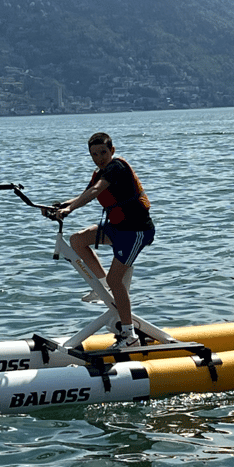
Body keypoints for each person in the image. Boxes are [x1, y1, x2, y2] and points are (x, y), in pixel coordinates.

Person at [52, 132, 155, 349]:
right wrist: (59, 206)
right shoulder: (99, 173)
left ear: (112, 151)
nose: (99, 157)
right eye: (94, 154)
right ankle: (103, 287)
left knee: (116, 280)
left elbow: (97, 190)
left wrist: (69, 209)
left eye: (103, 152)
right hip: (117, 228)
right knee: (77, 240)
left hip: (136, 231)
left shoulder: (116, 167)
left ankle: (129, 335)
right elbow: (85, 194)